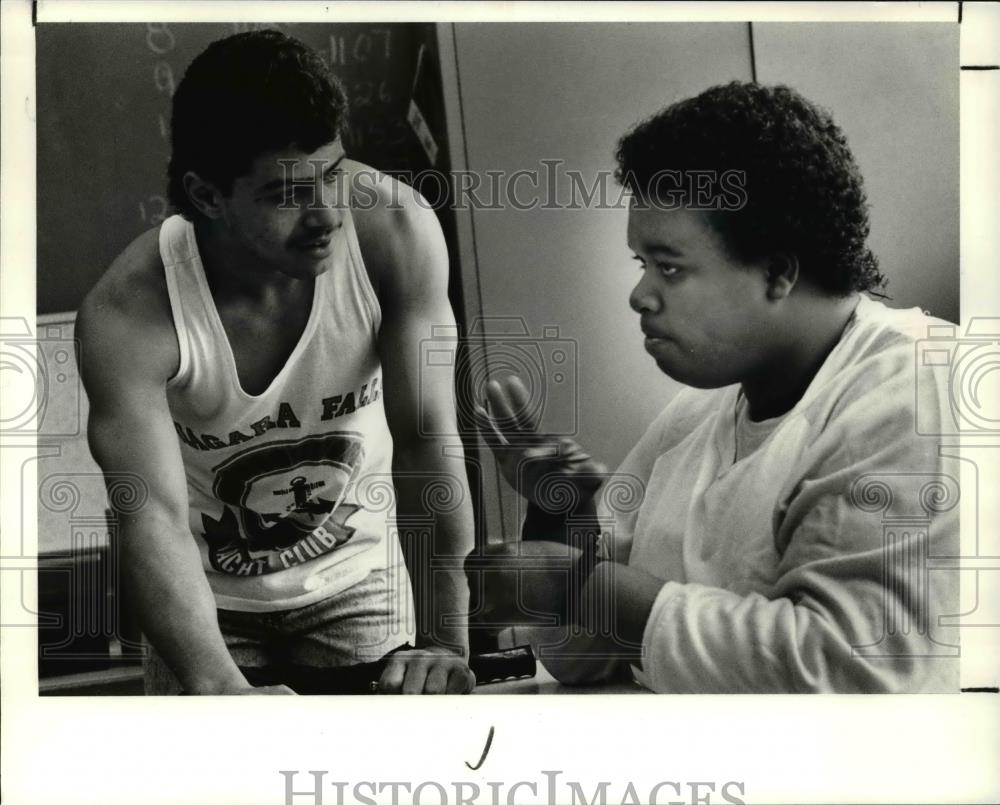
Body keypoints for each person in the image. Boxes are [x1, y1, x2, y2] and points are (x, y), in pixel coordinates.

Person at [471, 81, 959, 693]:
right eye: (640, 264)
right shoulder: (698, 412)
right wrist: (561, 516)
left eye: (669, 266)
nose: (640, 295)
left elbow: (858, 676)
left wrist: (576, 584)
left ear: (776, 273)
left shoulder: (914, 389)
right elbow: (586, 654)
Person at [77, 30, 475, 695]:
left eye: (333, 173)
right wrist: (219, 686)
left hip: (358, 577)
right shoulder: (129, 313)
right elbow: (151, 517)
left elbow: (427, 443)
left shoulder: (396, 234)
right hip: (204, 598)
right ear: (207, 197)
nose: (328, 215)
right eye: (288, 194)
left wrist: (444, 640)